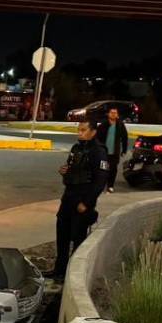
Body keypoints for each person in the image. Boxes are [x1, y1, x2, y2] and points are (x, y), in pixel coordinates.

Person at [50, 119, 107, 280]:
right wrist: (65, 171)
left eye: (83, 130)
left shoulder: (98, 151)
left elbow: (100, 181)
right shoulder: (76, 148)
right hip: (68, 197)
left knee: (78, 238)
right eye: (79, 130)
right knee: (62, 234)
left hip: (82, 200)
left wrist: (86, 203)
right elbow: (70, 171)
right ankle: (59, 270)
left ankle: (73, 274)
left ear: (93, 132)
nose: (79, 133)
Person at [94, 106, 128, 193]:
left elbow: (125, 138)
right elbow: (97, 138)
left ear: (117, 115)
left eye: (115, 113)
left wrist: (124, 150)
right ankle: (102, 185)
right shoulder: (103, 125)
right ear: (108, 114)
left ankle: (110, 186)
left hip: (115, 152)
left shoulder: (120, 125)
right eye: (112, 113)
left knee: (113, 169)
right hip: (104, 152)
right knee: (104, 169)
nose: (113, 114)